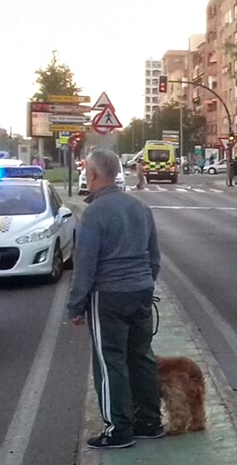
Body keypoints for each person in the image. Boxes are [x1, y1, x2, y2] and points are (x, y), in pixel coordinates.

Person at [67, 149, 164, 449]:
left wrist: (77, 305)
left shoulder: (94, 213)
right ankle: (150, 421)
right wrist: (145, 284)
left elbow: (85, 265)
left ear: (93, 175)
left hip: (108, 296)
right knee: (142, 356)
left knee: (110, 362)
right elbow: (155, 257)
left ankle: (118, 429)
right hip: (141, 292)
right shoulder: (140, 208)